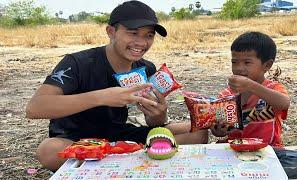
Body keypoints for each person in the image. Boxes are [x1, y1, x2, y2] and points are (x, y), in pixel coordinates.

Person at [26, 0, 208, 171]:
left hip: (118, 136)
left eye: (149, 35)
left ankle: (117, 161)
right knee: (48, 150)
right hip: (76, 140)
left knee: (198, 133)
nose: (141, 43)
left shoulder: (145, 68)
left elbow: (155, 123)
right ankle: (132, 159)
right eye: (133, 33)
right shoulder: (77, 63)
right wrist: (102, 97)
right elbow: (35, 108)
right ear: (111, 31)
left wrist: (158, 114)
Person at [210, 31, 297, 179]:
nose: (239, 68)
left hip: (267, 151)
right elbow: (218, 131)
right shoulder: (226, 95)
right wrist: (219, 131)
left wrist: (252, 86)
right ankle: (254, 174)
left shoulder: (272, 89)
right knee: (207, 162)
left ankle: (246, 175)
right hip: (233, 151)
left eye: (247, 62)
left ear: (267, 65)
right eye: (234, 62)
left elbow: (284, 104)